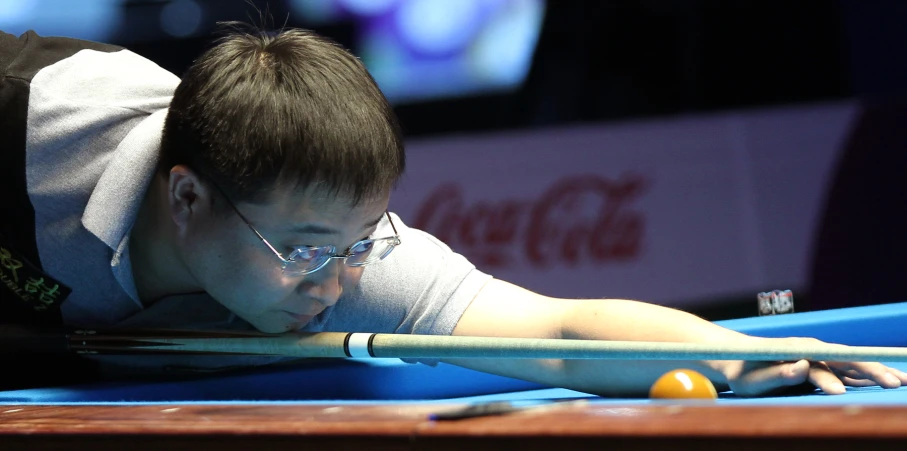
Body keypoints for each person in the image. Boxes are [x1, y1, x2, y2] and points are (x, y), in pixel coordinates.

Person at [1, 25, 904, 396]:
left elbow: (556, 330)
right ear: (187, 196)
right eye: (309, 249)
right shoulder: (33, 124)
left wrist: (755, 362)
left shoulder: (342, 262)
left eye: (360, 243)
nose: (339, 280)